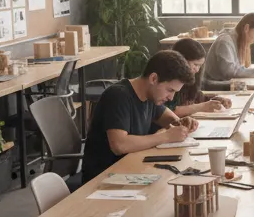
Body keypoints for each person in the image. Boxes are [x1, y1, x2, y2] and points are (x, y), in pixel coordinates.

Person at [81, 51, 197, 183]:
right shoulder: (118, 96)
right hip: (103, 179)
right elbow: (119, 145)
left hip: (130, 171)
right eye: (170, 90)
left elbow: (171, 120)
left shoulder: (150, 96)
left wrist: (183, 123)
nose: (171, 97)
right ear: (153, 78)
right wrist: (167, 136)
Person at [166, 37, 232, 118]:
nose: (197, 70)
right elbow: (169, 111)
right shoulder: (169, 81)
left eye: (200, 66)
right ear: (181, 60)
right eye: (195, 65)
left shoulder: (191, 79)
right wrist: (202, 106)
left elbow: (198, 97)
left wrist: (216, 101)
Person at [202, 13, 254, 89]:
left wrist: (247, 46)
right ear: (246, 28)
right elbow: (231, 72)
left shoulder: (239, 41)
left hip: (227, 83)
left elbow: (243, 67)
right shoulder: (225, 42)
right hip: (214, 86)